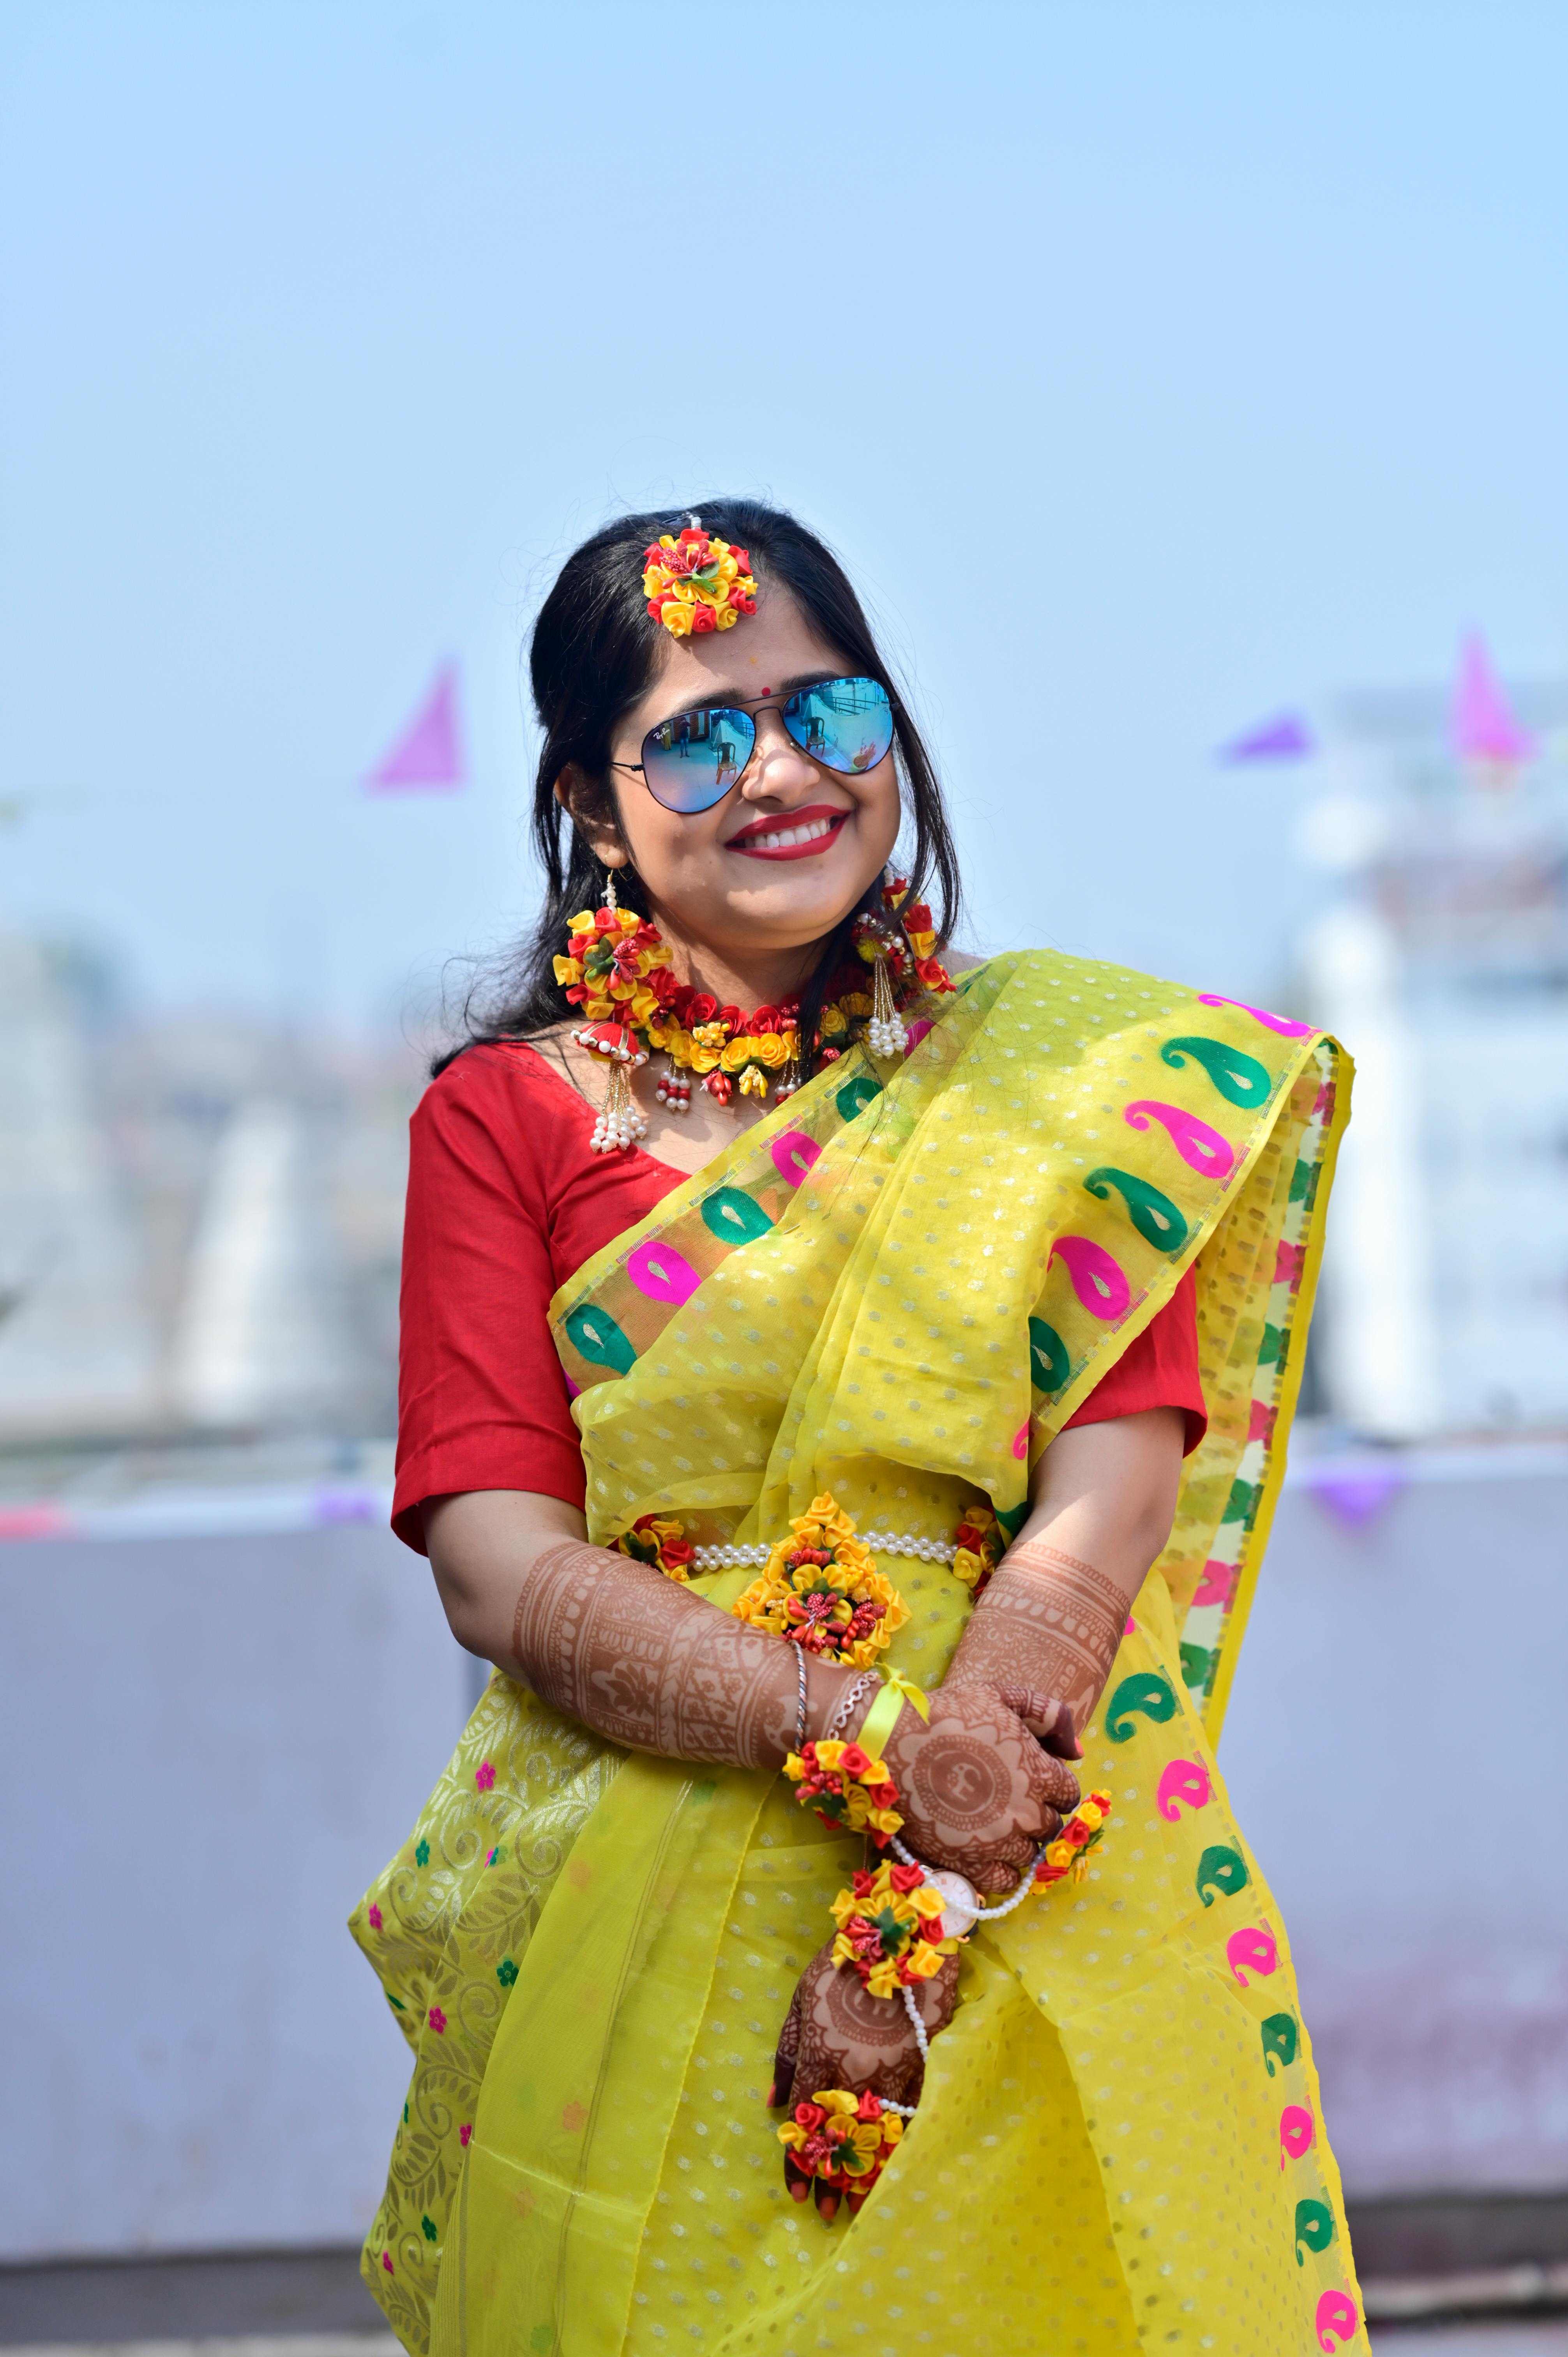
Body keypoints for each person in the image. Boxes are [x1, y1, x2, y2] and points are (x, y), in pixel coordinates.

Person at [353, 502, 1363, 2357]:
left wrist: (950, 1836)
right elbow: (500, 1568)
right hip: (648, 1857)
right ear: (590, 801)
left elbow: (1110, 1476)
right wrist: (857, 1739)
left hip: (1028, 1847)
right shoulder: (506, 1123)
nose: (783, 774)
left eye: (827, 711)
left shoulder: (1060, 1081)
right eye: (701, 735)